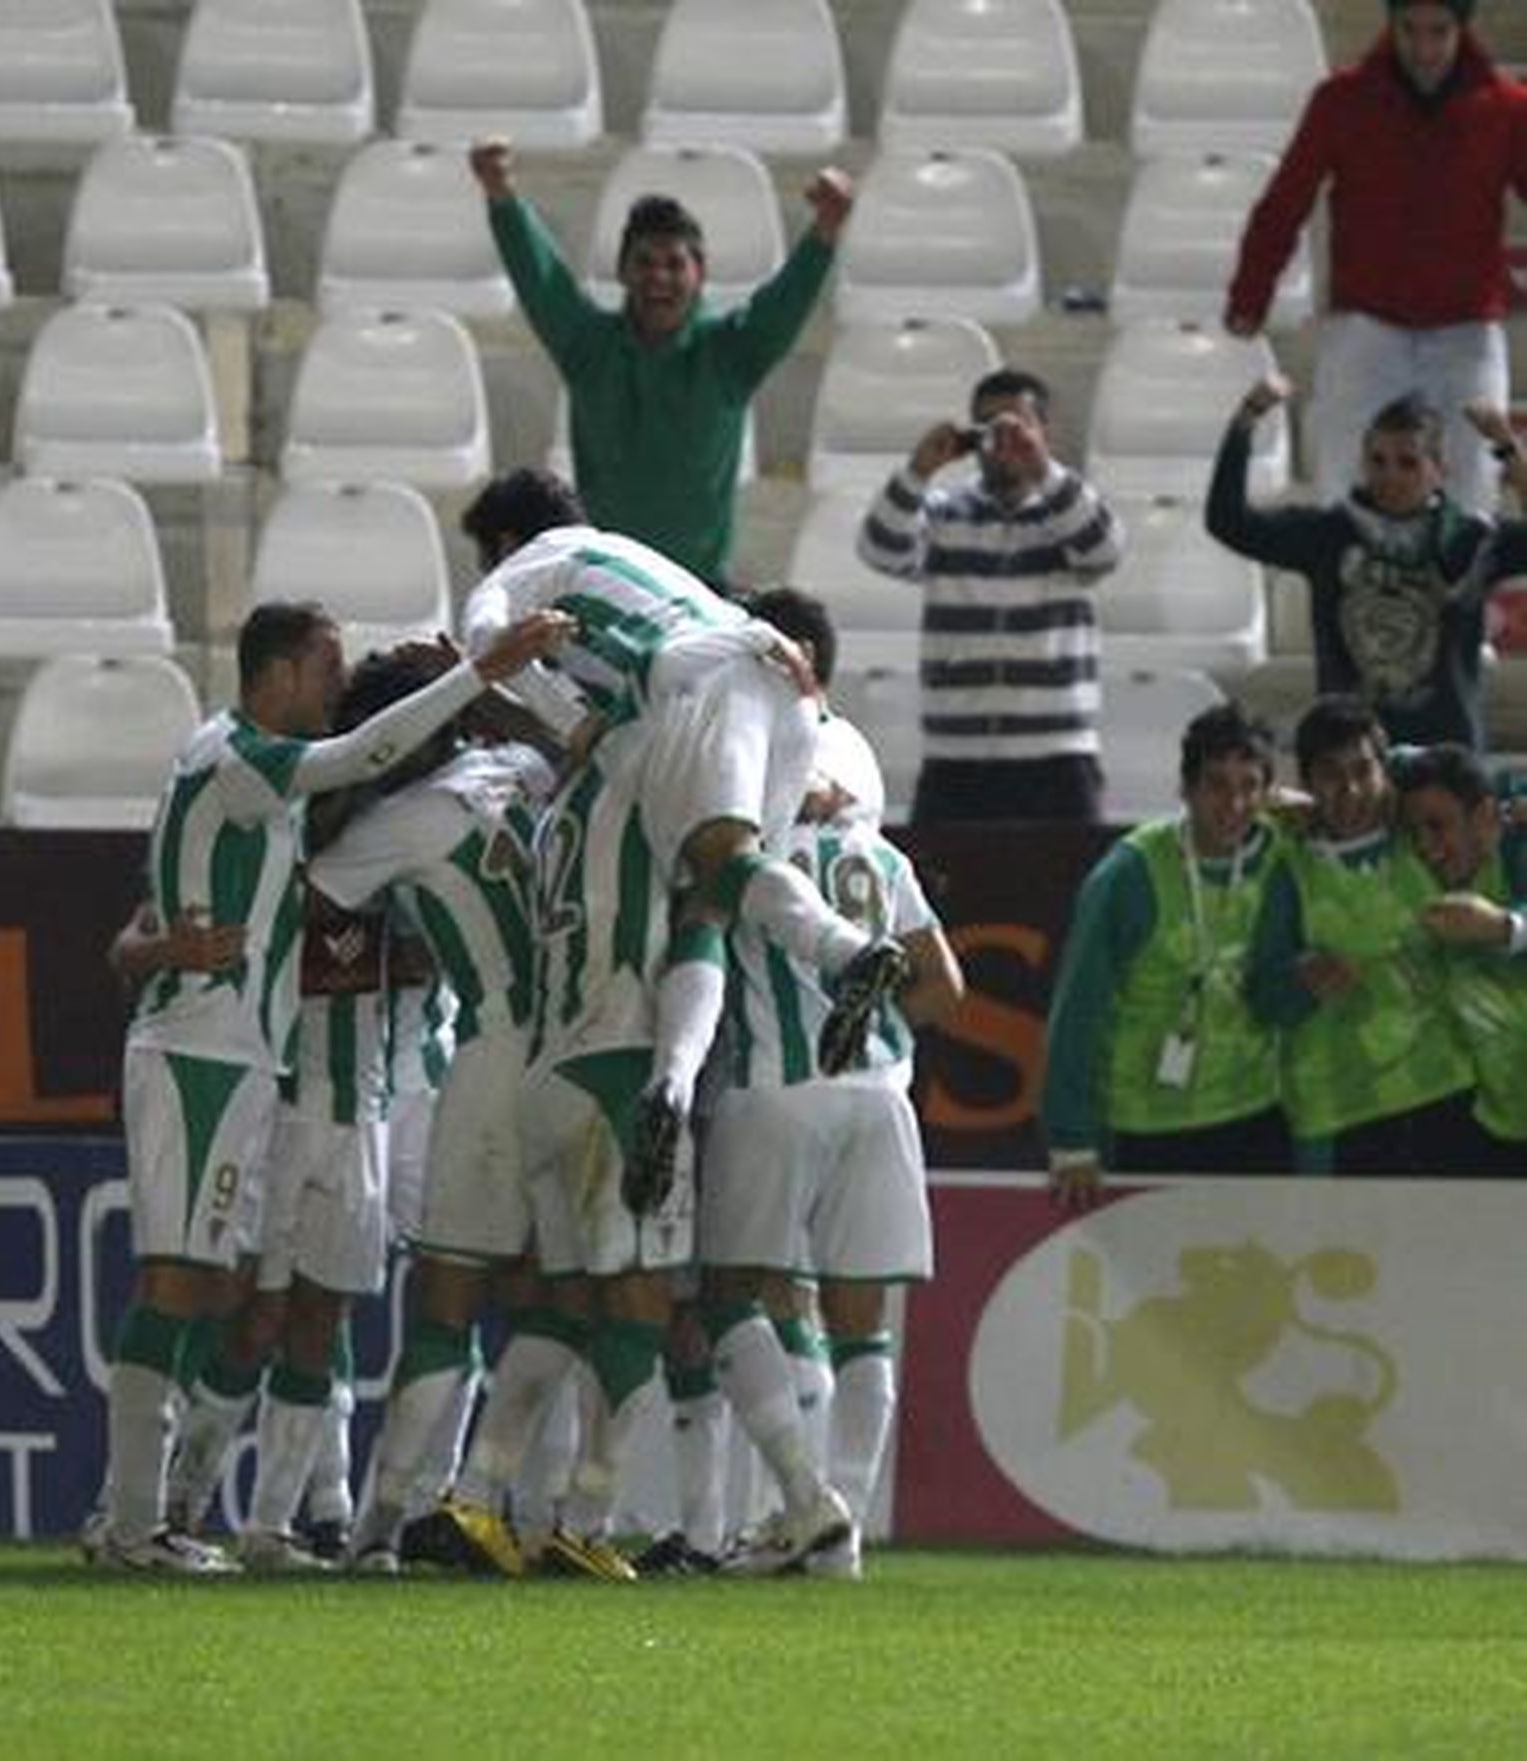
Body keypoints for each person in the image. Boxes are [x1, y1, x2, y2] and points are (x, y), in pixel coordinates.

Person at [89, 598, 570, 1573]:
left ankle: (204, 1519)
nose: (337, 692)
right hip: (203, 1056)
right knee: (191, 1285)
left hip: (262, 1070)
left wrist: (153, 946)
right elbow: (357, 757)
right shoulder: (237, 757)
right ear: (276, 674)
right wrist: (480, 673)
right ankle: (135, 1520)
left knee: (234, 1292)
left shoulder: (272, 793)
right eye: (325, 669)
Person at [459, 468, 913, 1207]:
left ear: (505, 539)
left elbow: (487, 647)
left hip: (692, 682)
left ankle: (845, 954)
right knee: (713, 897)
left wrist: (563, 717)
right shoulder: (628, 554)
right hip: (779, 676)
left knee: (719, 865)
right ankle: (670, 1087)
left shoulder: (524, 566)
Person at [700, 766, 965, 1578]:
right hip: (878, 1097)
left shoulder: (752, 851)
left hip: (776, 1088)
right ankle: (841, 1537)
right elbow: (946, 990)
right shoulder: (880, 856)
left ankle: (805, 1497)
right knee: (862, 1320)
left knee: (728, 1295)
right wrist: (876, 1026)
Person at [469, 138, 852, 586]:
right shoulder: (589, 347)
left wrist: (826, 228)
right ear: (623, 270)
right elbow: (541, 279)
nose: (659, 277)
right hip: (606, 587)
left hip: (699, 593)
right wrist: (500, 193)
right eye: (645, 262)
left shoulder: (730, 353)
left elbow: (785, 302)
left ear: (700, 272)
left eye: (675, 263)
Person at [1224, 0, 1527, 516]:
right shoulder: (1341, 100)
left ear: (1462, 29)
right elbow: (1285, 201)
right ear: (1390, 25)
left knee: (1472, 496)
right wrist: (1251, 294)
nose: (1425, 49)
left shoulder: (1506, 108)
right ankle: (1345, 597)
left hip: (1467, 330)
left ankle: (1459, 598)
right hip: (1366, 326)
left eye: (1439, 32)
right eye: (1410, 30)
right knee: (1342, 493)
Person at [1042, 703, 1294, 1207]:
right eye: (1217, 785)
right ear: (1185, 789)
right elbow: (1077, 1008)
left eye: (1250, 786)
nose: (1235, 804)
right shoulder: (1128, 875)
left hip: (1254, 1115)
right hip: (1146, 1125)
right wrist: (1071, 1140)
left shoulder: (1281, 855)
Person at [854, 367, 1124, 824]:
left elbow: (1105, 549)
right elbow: (878, 549)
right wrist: (918, 471)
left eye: (1017, 428)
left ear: (1044, 434)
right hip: (956, 762)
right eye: (988, 427)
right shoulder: (944, 514)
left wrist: (1043, 470)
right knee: (945, 895)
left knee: (1067, 894)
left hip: (1057, 760)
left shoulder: (1067, 511)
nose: (1002, 444)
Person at [1205, 376, 1527, 749]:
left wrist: (1507, 448)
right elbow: (1227, 521)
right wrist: (1246, 420)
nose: (1390, 475)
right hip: (1348, 762)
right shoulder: (1328, 533)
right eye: (1378, 460)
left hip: (1447, 755)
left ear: (1440, 469)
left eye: (1408, 463)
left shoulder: (1472, 540)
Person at [1245, 695, 1481, 1174]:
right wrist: (1301, 983)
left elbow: (1449, 768)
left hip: (1446, 1088)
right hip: (1343, 1113)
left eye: (1363, 771)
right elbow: (1263, 996)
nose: (1350, 790)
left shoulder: (1417, 828)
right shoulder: (1288, 867)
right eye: (1330, 774)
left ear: (1384, 773)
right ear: (1307, 781)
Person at [1395, 741, 1527, 1173]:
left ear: (1486, 817)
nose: (1425, 847)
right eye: (1414, 831)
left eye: (1438, 827)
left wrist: (1503, 928)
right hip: (1468, 1121)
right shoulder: (1413, 871)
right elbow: (1386, 757)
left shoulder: (1518, 851)